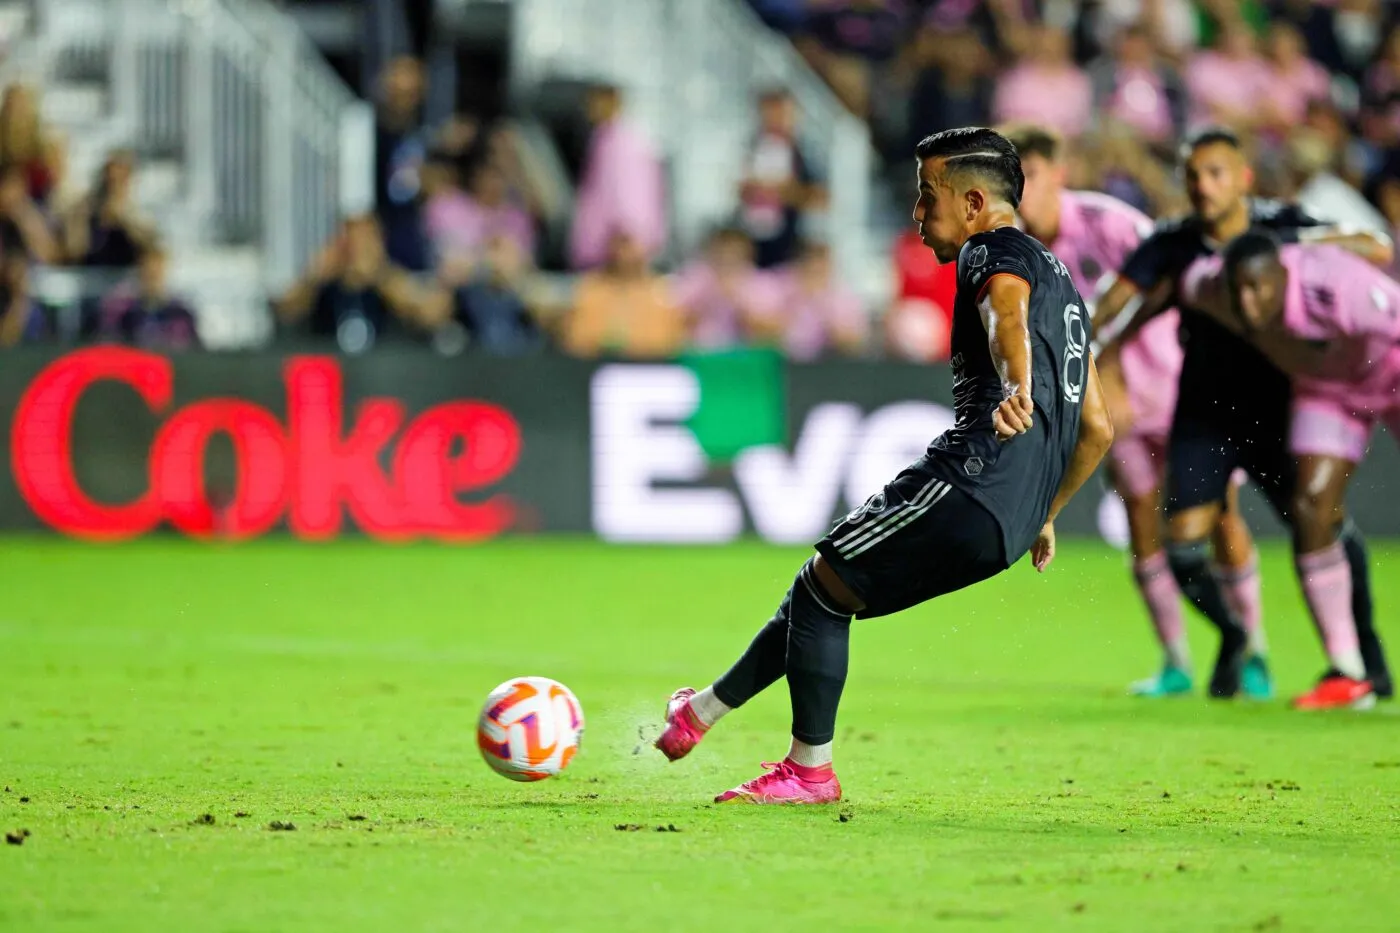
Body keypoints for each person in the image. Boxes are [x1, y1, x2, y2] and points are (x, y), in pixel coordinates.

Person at [653, 127, 1115, 804]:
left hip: (974, 477)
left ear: (974, 202)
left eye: (927, 197)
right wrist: (1045, 511)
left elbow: (1006, 315)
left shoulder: (992, 252)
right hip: (1012, 519)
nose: (917, 214)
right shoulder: (1066, 285)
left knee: (820, 588)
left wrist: (1015, 383)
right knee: (829, 587)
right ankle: (699, 715)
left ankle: (809, 771)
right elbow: (1097, 428)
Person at [1094, 127, 1395, 707]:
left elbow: (1374, 245)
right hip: (1204, 411)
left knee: (1319, 523)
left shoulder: (1278, 226)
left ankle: (1366, 663)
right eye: (1194, 176)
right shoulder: (1177, 244)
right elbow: (1123, 297)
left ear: (1242, 178)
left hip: (1280, 407)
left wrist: (1294, 252)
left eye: (1216, 173)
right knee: (1181, 544)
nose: (1204, 187)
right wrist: (1094, 346)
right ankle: (1237, 638)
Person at [1003, 123, 1267, 698]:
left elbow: (1181, 276)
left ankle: (1256, 654)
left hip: (1177, 388)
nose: (1022, 190)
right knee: (1142, 520)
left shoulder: (1108, 223)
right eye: (1012, 179)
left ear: (1057, 174)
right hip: (1113, 405)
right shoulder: (1018, 251)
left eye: (1032, 175)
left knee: (1220, 516)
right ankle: (1175, 661)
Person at [1177, 233, 1400, 709]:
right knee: (1310, 510)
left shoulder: (1339, 287)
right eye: (1239, 290)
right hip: (1330, 394)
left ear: (1283, 275)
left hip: (1391, 371)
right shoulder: (1213, 288)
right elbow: (1183, 280)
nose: (1247, 301)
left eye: (1258, 287)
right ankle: (1348, 673)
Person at [568, 84, 667, 271]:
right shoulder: (600, 138)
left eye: (598, 103)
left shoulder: (630, 142)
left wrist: (628, 236)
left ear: (614, 102)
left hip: (622, 241)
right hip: (601, 244)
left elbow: (633, 194)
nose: (592, 109)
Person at [738, 89, 826, 269]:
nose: (775, 120)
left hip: (790, 247)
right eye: (770, 113)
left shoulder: (807, 154)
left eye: (781, 113)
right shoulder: (750, 148)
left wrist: (783, 191)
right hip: (751, 244)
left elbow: (822, 199)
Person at [98, 246, 201, 351]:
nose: (152, 277)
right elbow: (109, 344)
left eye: (156, 272)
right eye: (147, 271)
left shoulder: (181, 312)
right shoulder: (122, 311)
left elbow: (193, 349)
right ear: (139, 271)